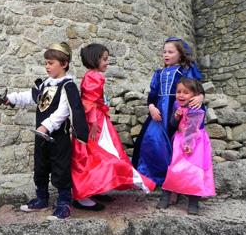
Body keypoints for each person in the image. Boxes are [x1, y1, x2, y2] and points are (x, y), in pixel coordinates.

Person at [6, 42, 89, 220]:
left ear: (64, 64)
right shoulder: (45, 85)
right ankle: (42, 198)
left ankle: (64, 203)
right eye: (46, 63)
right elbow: (30, 97)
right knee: (41, 166)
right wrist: (11, 98)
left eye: (51, 63)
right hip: (41, 136)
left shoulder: (68, 86)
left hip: (58, 138)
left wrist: (47, 126)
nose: (47, 66)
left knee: (60, 169)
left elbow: (64, 111)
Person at [71, 43, 156, 211]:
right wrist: (94, 122)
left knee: (98, 155)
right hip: (94, 122)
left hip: (97, 119)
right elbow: (88, 102)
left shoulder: (93, 76)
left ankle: (95, 187)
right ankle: (83, 195)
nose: (107, 63)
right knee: (97, 155)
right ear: (94, 59)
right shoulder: (94, 77)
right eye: (104, 59)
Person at [132, 37, 204, 186]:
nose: (166, 55)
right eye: (164, 52)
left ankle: (175, 180)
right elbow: (152, 95)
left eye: (170, 52)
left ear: (180, 54)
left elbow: (195, 88)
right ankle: (153, 177)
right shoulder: (159, 73)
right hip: (159, 112)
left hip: (177, 110)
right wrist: (151, 107)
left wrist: (201, 96)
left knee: (176, 143)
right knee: (152, 140)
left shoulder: (185, 71)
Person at [159, 77, 215, 214]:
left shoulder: (197, 107)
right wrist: (176, 117)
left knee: (195, 171)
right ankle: (165, 197)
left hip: (196, 143)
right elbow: (172, 124)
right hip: (179, 140)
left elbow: (195, 126)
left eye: (186, 92)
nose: (181, 95)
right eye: (178, 92)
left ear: (195, 95)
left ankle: (193, 202)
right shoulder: (176, 105)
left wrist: (189, 143)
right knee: (174, 169)